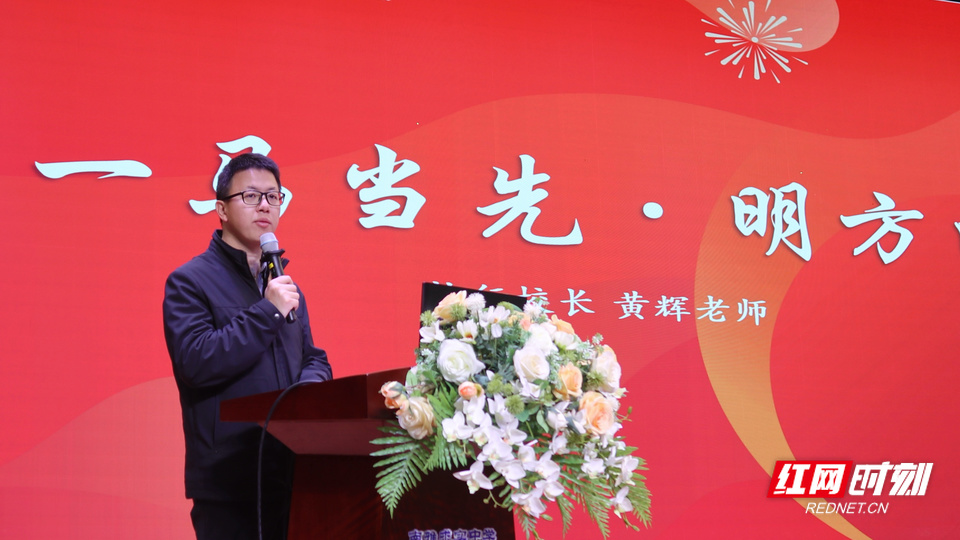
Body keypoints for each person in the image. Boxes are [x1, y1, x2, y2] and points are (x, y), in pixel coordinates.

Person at [163, 153, 332, 540]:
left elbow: (312, 357)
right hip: (229, 482)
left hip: (290, 472)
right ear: (221, 209)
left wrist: (307, 391)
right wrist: (267, 311)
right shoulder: (189, 282)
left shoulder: (284, 287)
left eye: (273, 197)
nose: (265, 206)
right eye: (251, 196)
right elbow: (197, 362)